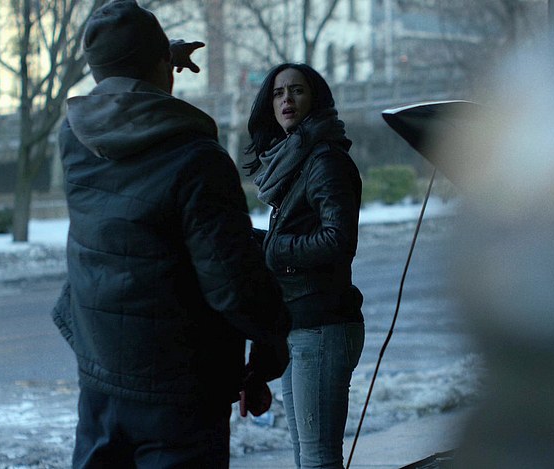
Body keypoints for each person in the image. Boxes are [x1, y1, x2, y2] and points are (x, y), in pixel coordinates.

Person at [51, 1, 289, 466]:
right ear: (161, 64)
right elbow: (233, 284)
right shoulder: (197, 159)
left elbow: (120, 83)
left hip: (101, 375)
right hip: (180, 393)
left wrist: (154, 57)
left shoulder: (74, 139)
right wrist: (271, 346)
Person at [244, 63, 365, 469]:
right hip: (300, 324)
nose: (287, 100)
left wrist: (276, 249)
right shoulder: (296, 160)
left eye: (297, 91)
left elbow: (338, 240)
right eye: (278, 93)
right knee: (306, 457)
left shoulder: (325, 160)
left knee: (318, 459)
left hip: (323, 324)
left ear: (316, 99)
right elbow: (299, 233)